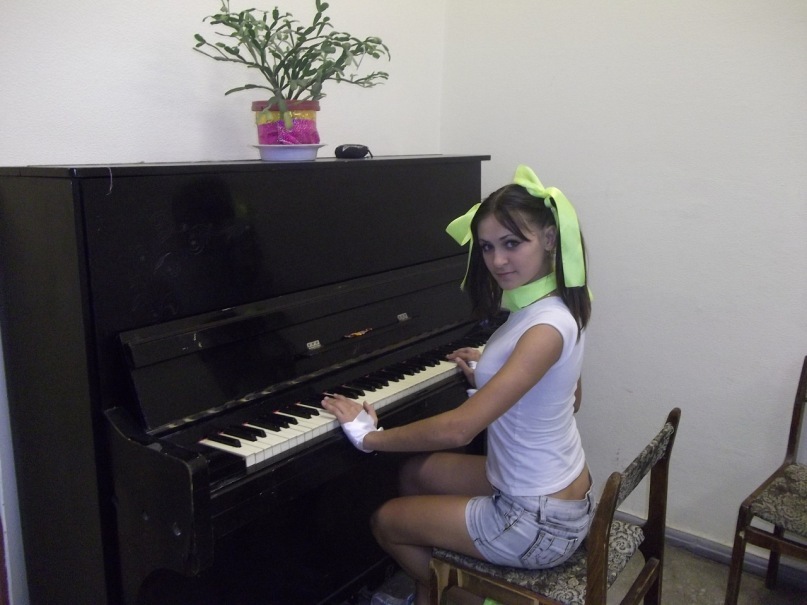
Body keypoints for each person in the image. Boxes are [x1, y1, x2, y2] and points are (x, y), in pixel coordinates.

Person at [322, 164, 593, 605]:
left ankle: (465, 597)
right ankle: (429, 592)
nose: (497, 261)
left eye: (512, 243)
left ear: (549, 238)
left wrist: (369, 437)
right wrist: (494, 372)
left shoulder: (545, 327)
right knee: (413, 473)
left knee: (386, 521)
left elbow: (459, 430)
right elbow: (571, 398)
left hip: (537, 519)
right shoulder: (555, 305)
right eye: (486, 247)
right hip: (548, 489)